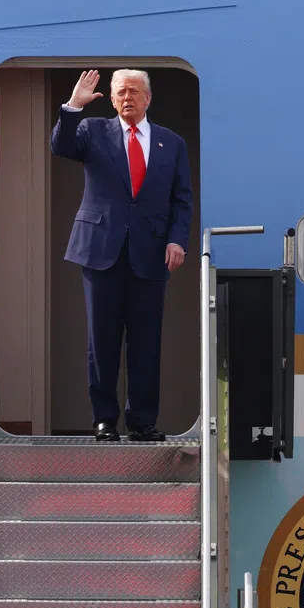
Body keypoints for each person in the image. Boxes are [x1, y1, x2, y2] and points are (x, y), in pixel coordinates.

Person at [50, 69, 193, 442]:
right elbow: (61, 147)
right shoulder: (92, 130)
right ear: (111, 99)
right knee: (103, 341)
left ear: (148, 98)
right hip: (100, 250)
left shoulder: (171, 143)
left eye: (133, 91)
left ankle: (142, 421)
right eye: (119, 93)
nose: (126, 98)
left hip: (150, 254)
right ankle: (104, 420)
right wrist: (72, 107)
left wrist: (178, 240)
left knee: (146, 342)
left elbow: (182, 200)